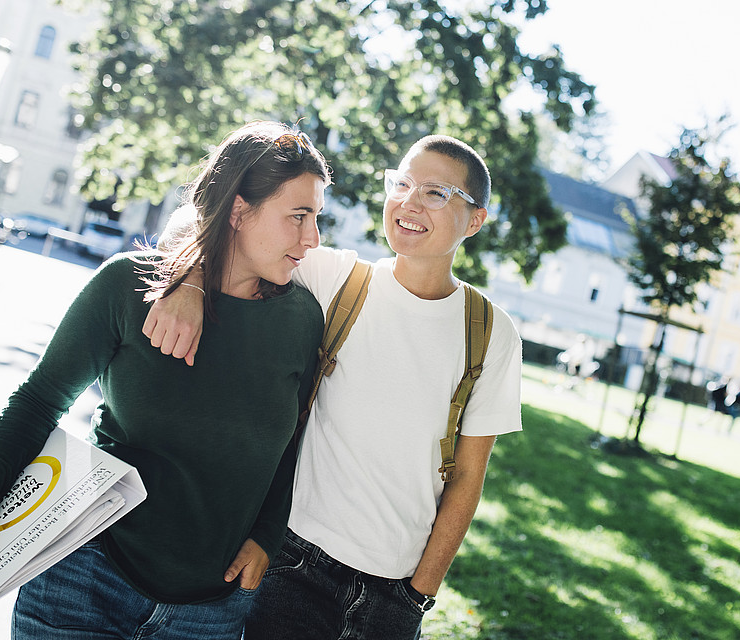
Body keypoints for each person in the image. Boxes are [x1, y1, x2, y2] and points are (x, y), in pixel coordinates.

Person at [0, 121, 330, 639]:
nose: (312, 239)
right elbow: (40, 401)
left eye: (316, 218)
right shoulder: (126, 287)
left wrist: (267, 535)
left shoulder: (302, 319)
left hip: (210, 611)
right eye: (298, 217)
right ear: (237, 211)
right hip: (83, 578)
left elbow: (291, 440)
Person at [143, 134, 523, 638]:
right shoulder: (337, 279)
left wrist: (416, 595)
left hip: (394, 593)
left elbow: (467, 480)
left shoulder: (490, 333)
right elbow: (196, 223)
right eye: (402, 184)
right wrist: (189, 282)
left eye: (435, 193)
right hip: (289, 564)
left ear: (475, 220)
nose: (408, 203)